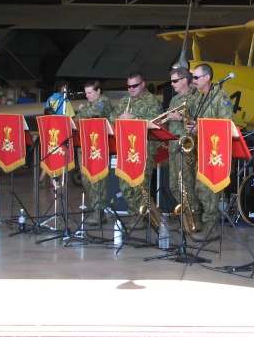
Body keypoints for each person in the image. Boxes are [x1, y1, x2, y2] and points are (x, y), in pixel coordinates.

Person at [187, 63, 234, 239]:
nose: (194, 81)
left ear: (207, 78)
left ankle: (212, 226)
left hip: (216, 152)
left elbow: (226, 124)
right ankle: (206, 222)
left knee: (208, 189)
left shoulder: (221, 96)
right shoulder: (199, 99)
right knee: (200, 188)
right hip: (202, 150)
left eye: (196, 77)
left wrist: (199, 127)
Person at [110, 72, 163, 219]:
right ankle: (136, 212)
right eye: (129, 86)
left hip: (144, 149)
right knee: (125, 186)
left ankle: (141, 217)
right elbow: (112, 116)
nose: (131, 89)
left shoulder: (152, 101)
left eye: (134, 85)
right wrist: (119, 117)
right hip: (126, 149)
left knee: (141, 186)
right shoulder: (125, 101)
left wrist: (133, 118)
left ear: (143, 84)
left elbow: (157, 122)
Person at [166, 67, 202, 227]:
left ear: (184, 80)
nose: (172, 84)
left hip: (187, 148)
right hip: (173, 147)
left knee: (187, 184)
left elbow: (197, 124)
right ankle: (186, 217)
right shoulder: (174, 100)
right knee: (174, 185)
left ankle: (194, 217)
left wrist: (180, 118)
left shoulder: (194, 98)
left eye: (175, 81)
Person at [74, 80, 112, 226]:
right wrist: (83, 110)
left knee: (98, 181)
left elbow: (94, 112)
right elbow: (78, 118)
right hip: (85, 147)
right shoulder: (89, 105)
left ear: (98, 91)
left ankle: (99, 212)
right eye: (86, 93)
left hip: (98, 148)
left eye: (90, 93)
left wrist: (82, 110)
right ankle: (96, 210)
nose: (87, 96)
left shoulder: (103, 102)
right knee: (86, 180)